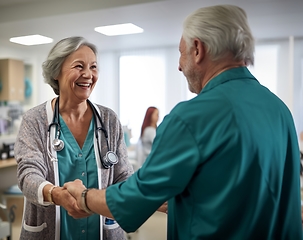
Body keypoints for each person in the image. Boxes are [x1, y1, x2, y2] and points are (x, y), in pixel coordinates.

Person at [64, 5, 303, 239]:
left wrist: (84, 197)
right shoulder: (279, 109)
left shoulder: (191, 117)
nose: (179, 66)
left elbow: (133, 199)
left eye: (181, 52)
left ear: (198, 49)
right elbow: (242, 192)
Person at [14, 36, 134, 240]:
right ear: (56, 72)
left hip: (103, 232)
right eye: (79, 66)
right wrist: (56, 194)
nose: (88, 74)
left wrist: (147, 194)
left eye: (94, 67)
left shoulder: (108, 120)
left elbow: (123, 176)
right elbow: (28, 175)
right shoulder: (35, 120)